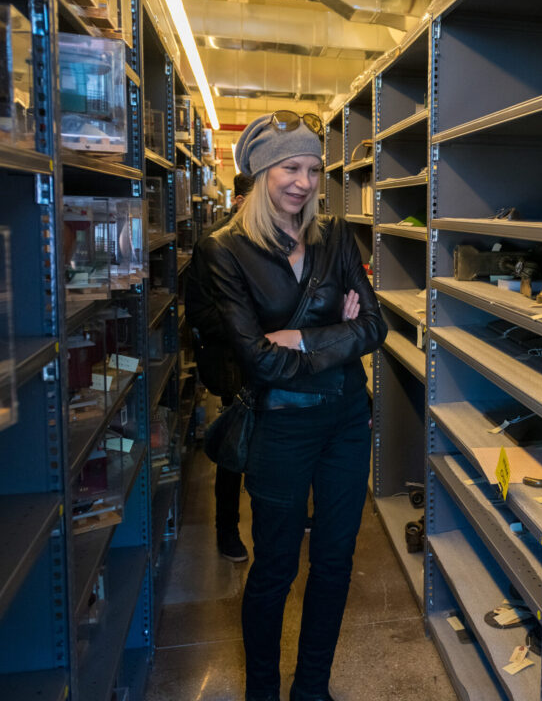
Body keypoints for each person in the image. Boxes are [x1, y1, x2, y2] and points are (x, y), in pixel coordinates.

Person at [199, 110, 386, 701]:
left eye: (312, 169)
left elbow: (375, 327)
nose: (303, 182)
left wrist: (303, 338)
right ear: (259, 171)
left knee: (334, 561)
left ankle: (312, 689)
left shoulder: (334, 237)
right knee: (275, 568)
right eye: (289, 167)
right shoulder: (223, 251)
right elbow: (257, 361)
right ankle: (262, 692)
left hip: (347, 422)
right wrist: (338, 336)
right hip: (280, 427)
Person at [184, 171, 256, 562]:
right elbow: (199, 312)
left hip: (267, 360)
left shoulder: (273, 237)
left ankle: (281, 513)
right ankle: (226, 528)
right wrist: (249, 326)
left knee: (275, 440)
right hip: (233, 364)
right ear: (242, 200)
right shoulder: (213, 243)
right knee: (234, 446)